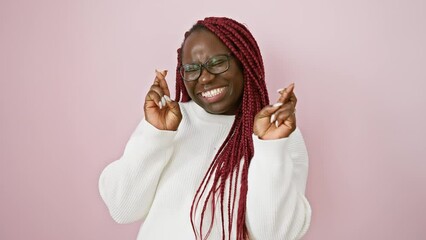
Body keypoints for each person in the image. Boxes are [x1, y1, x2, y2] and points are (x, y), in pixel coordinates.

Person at [99, 17, 311, 240]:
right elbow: (122, 208)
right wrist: (155, 134)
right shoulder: (170, 121)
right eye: (192, 69)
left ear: (244, 62)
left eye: (218, 62)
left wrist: (271, 149)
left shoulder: (277, 134)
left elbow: (275, 234)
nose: (206, 78)